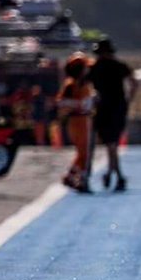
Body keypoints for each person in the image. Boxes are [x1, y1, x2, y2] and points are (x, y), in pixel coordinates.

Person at [88, 38, 137, 192]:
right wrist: (129, 99)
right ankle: (114, 174)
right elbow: (134, 82)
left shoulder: (95, 68)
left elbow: (83, 83)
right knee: (112, 144)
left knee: (110, 144)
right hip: (117, 108)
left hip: (103, 108)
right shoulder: (119, 66)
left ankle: (115, 175)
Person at [56, 53, 96, 192]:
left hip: (79, 119)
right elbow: (62, 102)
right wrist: (79, 104)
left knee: (81, 152)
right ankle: (81, 179)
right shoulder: (73, 85)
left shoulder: (79, 85)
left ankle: (71, 176)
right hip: (79, 120)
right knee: (84, 152)